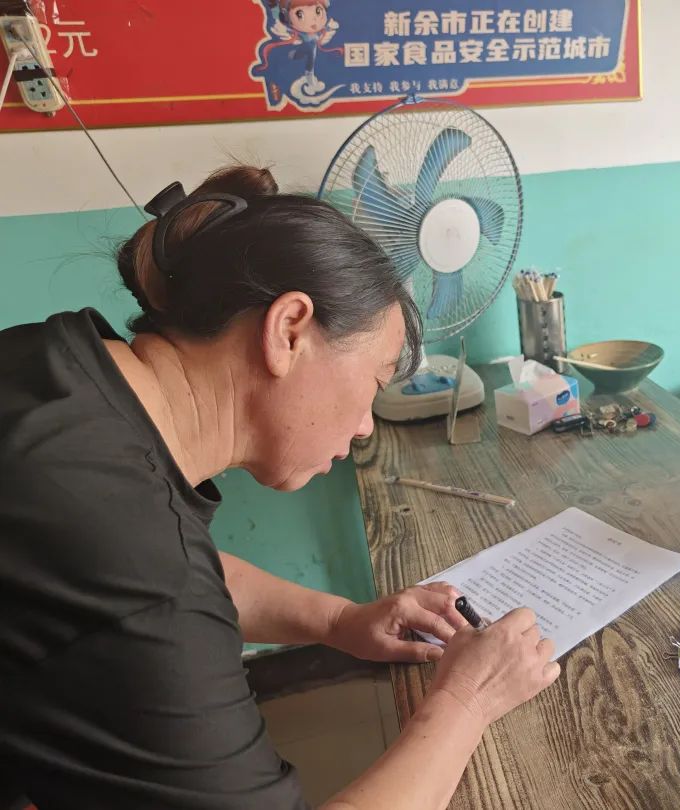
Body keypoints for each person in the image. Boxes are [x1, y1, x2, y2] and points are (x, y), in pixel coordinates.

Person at [0, 165, 560, 809]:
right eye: (375, 382)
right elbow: (154, 586)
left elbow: (156, 579)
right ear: (289, 329)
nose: (363, 427)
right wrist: (467, 699)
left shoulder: (57, 360)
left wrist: (341, 620)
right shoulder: (146, 571)